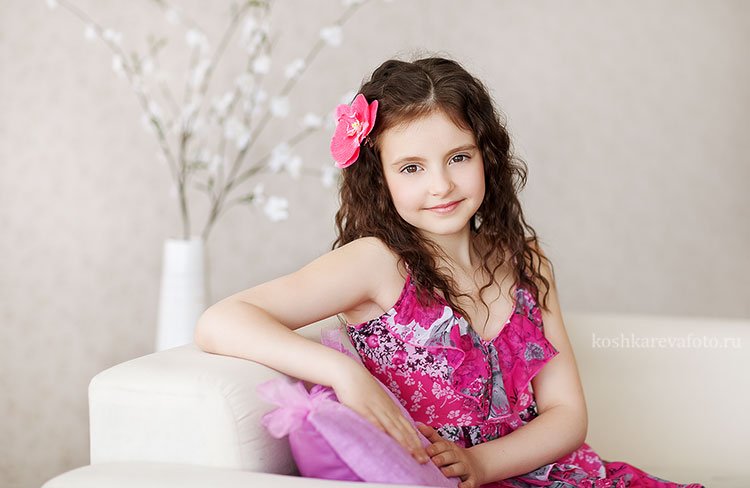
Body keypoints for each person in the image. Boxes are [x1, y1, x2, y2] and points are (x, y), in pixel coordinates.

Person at [194, 56, 705, 488]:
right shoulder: (375, 262)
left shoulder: (526, 260)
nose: (441, 185)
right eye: (411, 168)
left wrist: (482, 463)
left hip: (570, 476)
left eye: (458, 157)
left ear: (488, 157)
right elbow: (221, 320)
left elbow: (568, 415)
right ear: (381, 178)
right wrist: (343, 373)